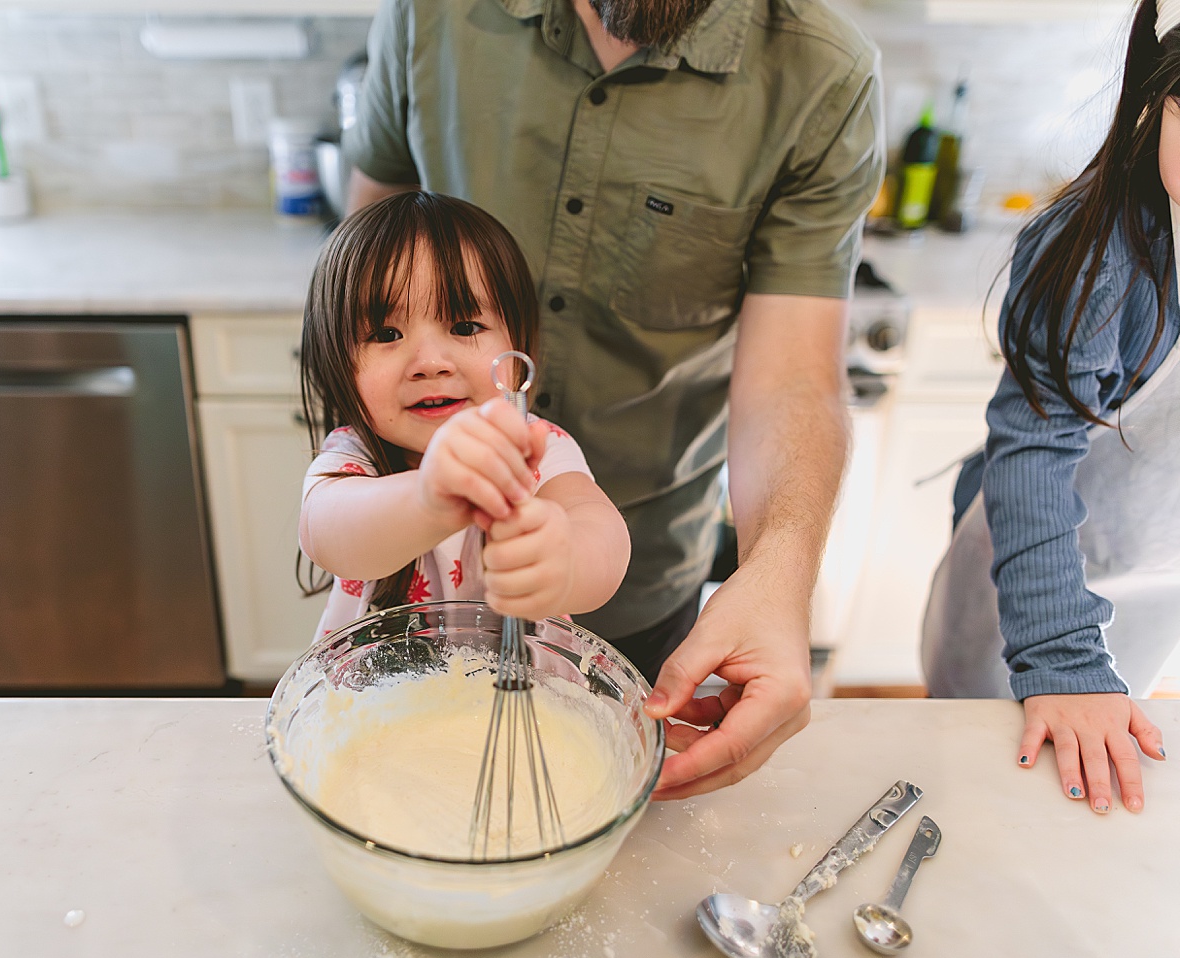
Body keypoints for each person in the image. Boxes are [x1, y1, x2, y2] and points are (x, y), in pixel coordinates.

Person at [342, 0, 883, 799]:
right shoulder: (429, 15)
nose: (426, 356)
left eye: (462, 323)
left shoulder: (821, 73)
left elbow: (792, 380)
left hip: (651, 574)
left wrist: (777, 575)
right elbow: (362, 268)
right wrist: (422, 490)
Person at [923, 0, 1179, 816]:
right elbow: (1034, 447)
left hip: (1152, 590)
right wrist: (1064, 659)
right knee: (984, 789)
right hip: (1034, 597)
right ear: (1160, 102)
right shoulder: (1102, 254)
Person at [298, 190, 631, 639]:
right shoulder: (353, 459)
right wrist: (429, 498)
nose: (431, 362)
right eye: (386, 333)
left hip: (521, 702)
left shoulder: (536, 447)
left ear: (520, 348)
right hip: (370, 701)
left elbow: (601, 535)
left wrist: (566, 560)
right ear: (335, 361)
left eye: (464, 327)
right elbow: (329, 534)